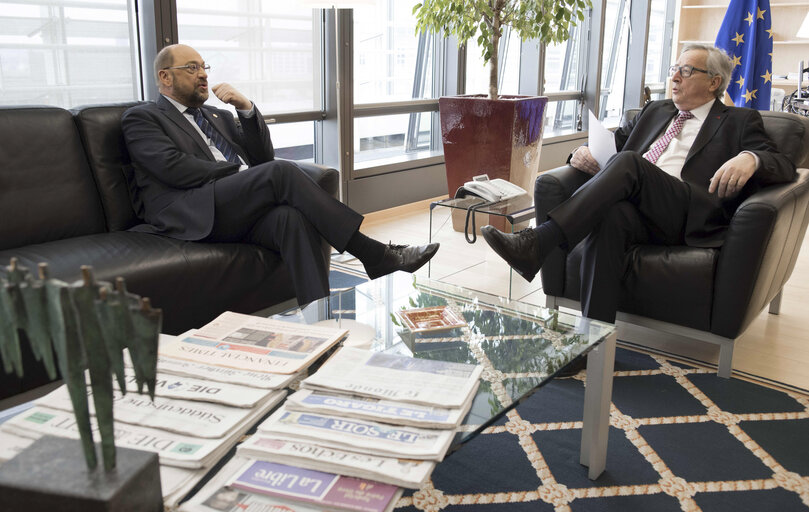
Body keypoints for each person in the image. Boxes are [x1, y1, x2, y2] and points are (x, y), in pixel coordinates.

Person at [482, 44, 796, 324]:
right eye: (674, 69)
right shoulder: (655, 111)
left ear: (714, 82)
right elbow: (611, 145)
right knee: (611, 216)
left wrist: (749, 158)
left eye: (686, 72)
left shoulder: (739, 120)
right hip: (638, 207)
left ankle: (541, 240)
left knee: (631, 161)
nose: (675, 78)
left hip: (688, 212)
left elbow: (784, 166)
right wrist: (581, 152)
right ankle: (591, 341)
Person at [122, 44, 438, 305]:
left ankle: (319, 317)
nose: (203, 74)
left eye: (204, 66)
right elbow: (172, 167)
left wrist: (246, 109)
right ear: (165, 77)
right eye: (192, 68)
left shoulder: (216, 115)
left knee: (290, 218)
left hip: (228, 206)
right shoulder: (143, 117)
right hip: (188, 210)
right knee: (281, 172)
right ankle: (374, 253)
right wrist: (240, 172)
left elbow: (262, 157)